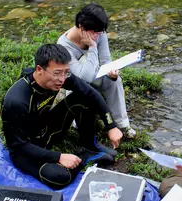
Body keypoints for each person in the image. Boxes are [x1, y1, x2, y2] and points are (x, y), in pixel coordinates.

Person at [1, 44, 123, 189]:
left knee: (84, 97)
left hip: (46, 128)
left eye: (66, 72)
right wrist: (58, 157)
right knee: (60, 177)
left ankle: (88, 146)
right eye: (57, 73)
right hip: (27, 150)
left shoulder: (61, 77)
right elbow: (19, 146)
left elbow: (91, 93)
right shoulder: (16, 101)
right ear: (39, 69)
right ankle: (83, 158)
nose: (62, 79)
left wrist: (111, 125)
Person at [57, 3, 136, 138]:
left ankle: (122, 125)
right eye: (95, 32)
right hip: (76, 85)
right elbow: (83, 78)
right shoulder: (64, 46)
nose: (98, 36)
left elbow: (106, 61)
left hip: (94, 74)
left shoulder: (98, 32)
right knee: (83, 65)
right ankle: (79, 121)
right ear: (81, 26)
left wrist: (112, 72)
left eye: (100, 32)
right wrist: (92, 47)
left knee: (114, 81)